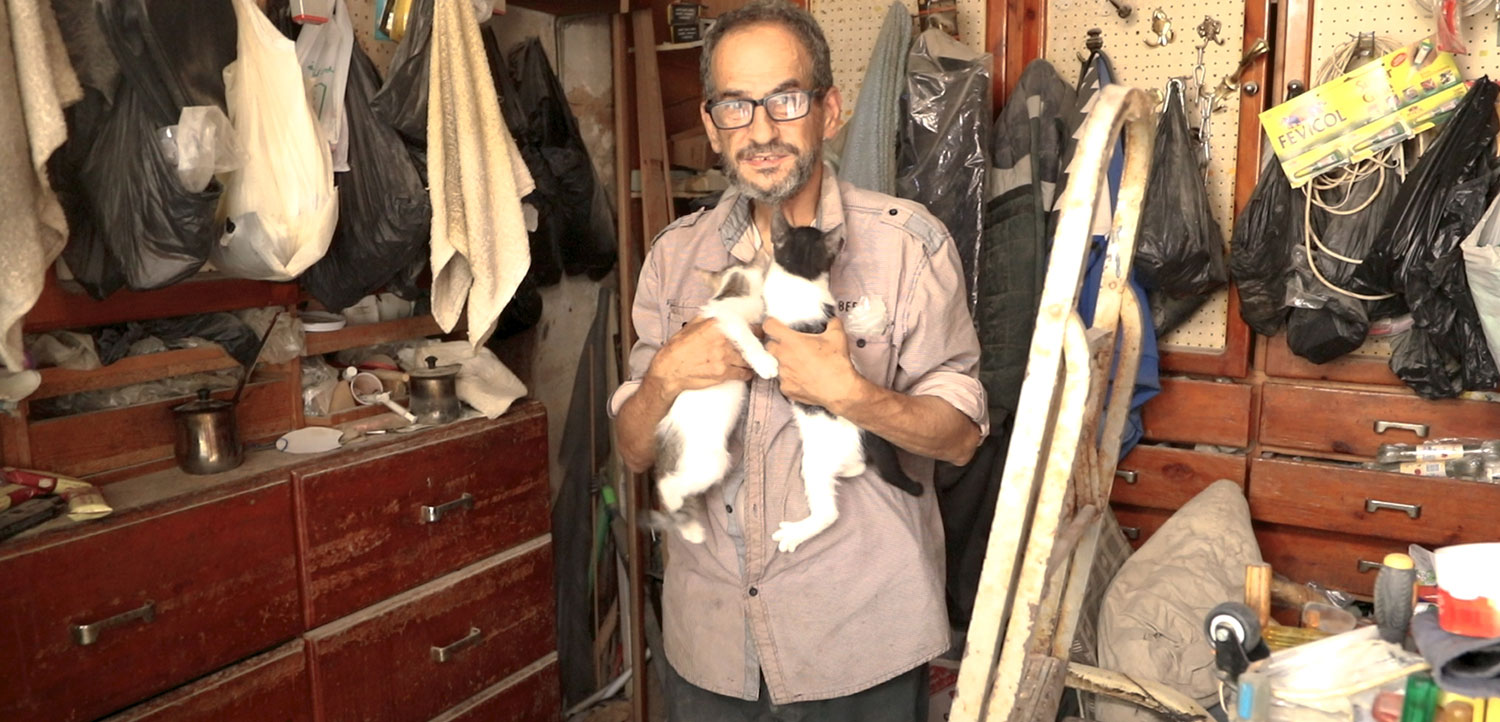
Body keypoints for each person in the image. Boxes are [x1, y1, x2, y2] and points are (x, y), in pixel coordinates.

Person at [608, 1, 987, 719]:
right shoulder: (673, 258)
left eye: (785, 100)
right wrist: (663, 381)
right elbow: (632, 451)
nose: (760, 131)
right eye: (735, 106)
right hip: (710, 646)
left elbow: (962, 439)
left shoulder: (909, 247)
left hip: (859, 645)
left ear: (829, 110)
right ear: (712, 125)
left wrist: (853, 395)